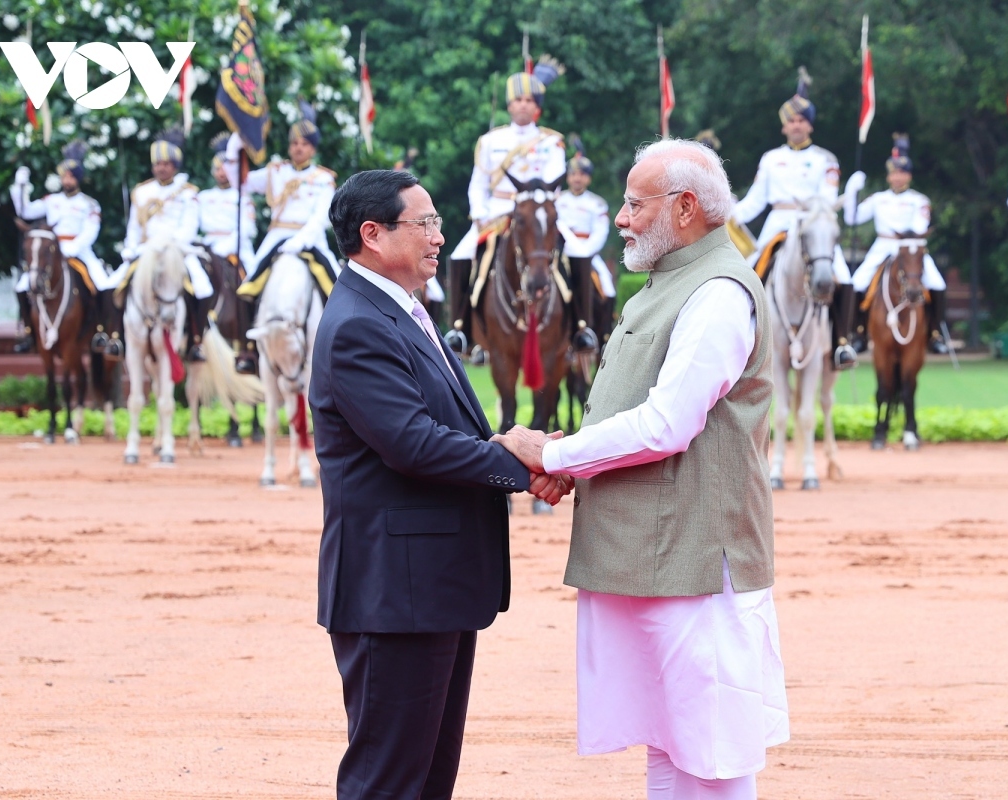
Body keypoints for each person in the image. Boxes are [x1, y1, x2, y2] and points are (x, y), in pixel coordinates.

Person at [495, 139, 789, 800]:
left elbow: (666, 423)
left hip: (693, 560)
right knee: (669, 743)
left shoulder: (716, 291)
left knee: (708, 752)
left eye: (634, 204)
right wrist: (574, 457)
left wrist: (553, 455)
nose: (620, 219)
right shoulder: (668, 282)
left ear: (685, 209)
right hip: (653, 555)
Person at [310, 169, 568, 799]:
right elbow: (412, 442)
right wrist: (519, 462)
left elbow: (437, 428)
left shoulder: (404, 309)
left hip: (428, 586)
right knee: (389, 783)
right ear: (372, 235)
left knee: (427, 781)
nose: (438, 234)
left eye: (436, 221)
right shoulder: (358, 325)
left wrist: (509, 447)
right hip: (394, 593)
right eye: (423, 222)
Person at [732, 67, 857, 370]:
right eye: (791, 121)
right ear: (784, 127)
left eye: (801, 120)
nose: (796, 125)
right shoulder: (771, 159)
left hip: (813, 227)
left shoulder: (826, 160)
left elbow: (827, 199)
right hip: (778, 223)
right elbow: (755, 201)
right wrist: (726, 212)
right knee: (746, 275)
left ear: (810, 126)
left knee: (844, 276)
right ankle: (745, 340)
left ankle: (843, 343)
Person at [445, 59, 566, 355]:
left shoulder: (552, 142)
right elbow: (478, 184)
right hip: (497, 214)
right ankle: (458, 328)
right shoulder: (490, 141)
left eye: (529, 100)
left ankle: (581, 328)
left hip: (538, 216)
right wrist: (479, 215)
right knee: (461, 253)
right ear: (509, 105)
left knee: (577, 252)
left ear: (537, 106)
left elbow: (555, 186)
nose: (523, 105)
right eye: (517, 100)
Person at [843, 133, 949, 354]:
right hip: (883, 246)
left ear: (908, 176)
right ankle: (858, 332)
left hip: (911, 249)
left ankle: (935, 334)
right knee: (857, 282)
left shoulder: (919, 201)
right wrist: (851, 192)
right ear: (889, 176)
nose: (898, 177)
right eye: (894, 173)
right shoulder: (878, 198)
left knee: (937, 283)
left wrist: (908, 240)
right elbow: (852, 218)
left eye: (902, 173)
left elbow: (920, 227)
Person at [114, 129, 213, 361]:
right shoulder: (142, 191)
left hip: (176, 250)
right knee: (114, 284)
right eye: (158, 163)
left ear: (175, 166)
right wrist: (130, 247)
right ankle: (114, 335)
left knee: (203, 287)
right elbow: (134, 227)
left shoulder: (187, 193)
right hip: (144, 249)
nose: (162, 168)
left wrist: (170, 247)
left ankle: (196, 339)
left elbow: (189, 226)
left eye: (167, 164)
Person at [10, 141, 114, 356]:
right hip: (50, 251)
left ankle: (103, 332)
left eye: (71, 177)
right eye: (64, 176)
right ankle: (28, 331)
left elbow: (90, 231)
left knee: (102, 282)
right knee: (22, 285)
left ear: (78, 178)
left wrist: (74, 247)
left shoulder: (90, 203)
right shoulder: (51, 200)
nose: (67, 180)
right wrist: (20, 186)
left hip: (79, 249)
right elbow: (25, 211)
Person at [233, 99, 341, 304]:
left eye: (304, 144)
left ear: (313, 150)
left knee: (337, 289)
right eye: (294, 143)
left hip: (311, 238)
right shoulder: (276, 172)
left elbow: (320, 218)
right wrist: (234, 151)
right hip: (277, 235)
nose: (298, 148)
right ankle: (248, 332)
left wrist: (300, 241)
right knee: (249, 285)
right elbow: (241, 182)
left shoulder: (323, 179)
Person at [198, 133, 258, 367]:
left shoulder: (243, 196)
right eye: (218, 168)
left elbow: (248, 228)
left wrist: (226, 246)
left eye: (225, 168)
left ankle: (250, 336)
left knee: (251, 283)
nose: (221, 172)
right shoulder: (203, 197)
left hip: (237, 248)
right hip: (208, 247)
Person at [555, 138, 614, 351]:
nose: (576, 178)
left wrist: (584, 252)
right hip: (561, 252)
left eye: (581, 174)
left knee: (607, 287)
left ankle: (603, 335)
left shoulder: (596, 203)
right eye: (572, 174)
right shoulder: (557, 200)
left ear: (588, 178)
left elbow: (600, 232)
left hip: (587, 252)